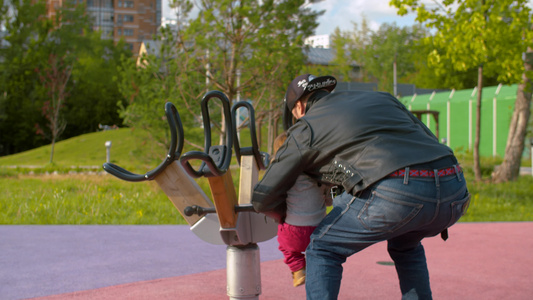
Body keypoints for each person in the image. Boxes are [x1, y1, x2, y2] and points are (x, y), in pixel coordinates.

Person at [252, 74, 470, 300]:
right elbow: (428, 138)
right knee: (406, 246)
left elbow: (263, 196)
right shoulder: (384, 99)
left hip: (397, 192)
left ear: (298, 107)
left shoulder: (307, 125)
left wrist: (285, 213)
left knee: (322, 248)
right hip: (453, 185)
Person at [272, 132, 332, 287]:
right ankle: (316, 270)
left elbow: (274, 200)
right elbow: (328, 202)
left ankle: (298, 269)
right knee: (320, 252)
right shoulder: (319, 173)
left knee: (284, 245)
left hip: (294, 232)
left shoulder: (282, 176)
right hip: (320, 230)